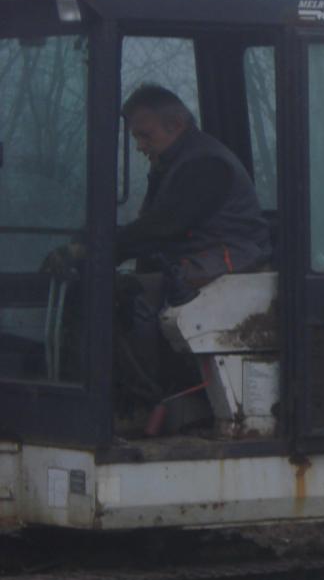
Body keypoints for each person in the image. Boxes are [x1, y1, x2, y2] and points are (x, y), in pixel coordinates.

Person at [44, 84, 272, 397]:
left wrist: (93, 250)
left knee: (135, 297)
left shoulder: (204, 164)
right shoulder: (174, 161)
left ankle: (150, 396)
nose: (139, 146)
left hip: (231, 256)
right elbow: (151, 228)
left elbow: (162, 228)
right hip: (198, 252)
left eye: (145, 135)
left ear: (175, 126)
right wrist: (93, 242)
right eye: (135, 136)